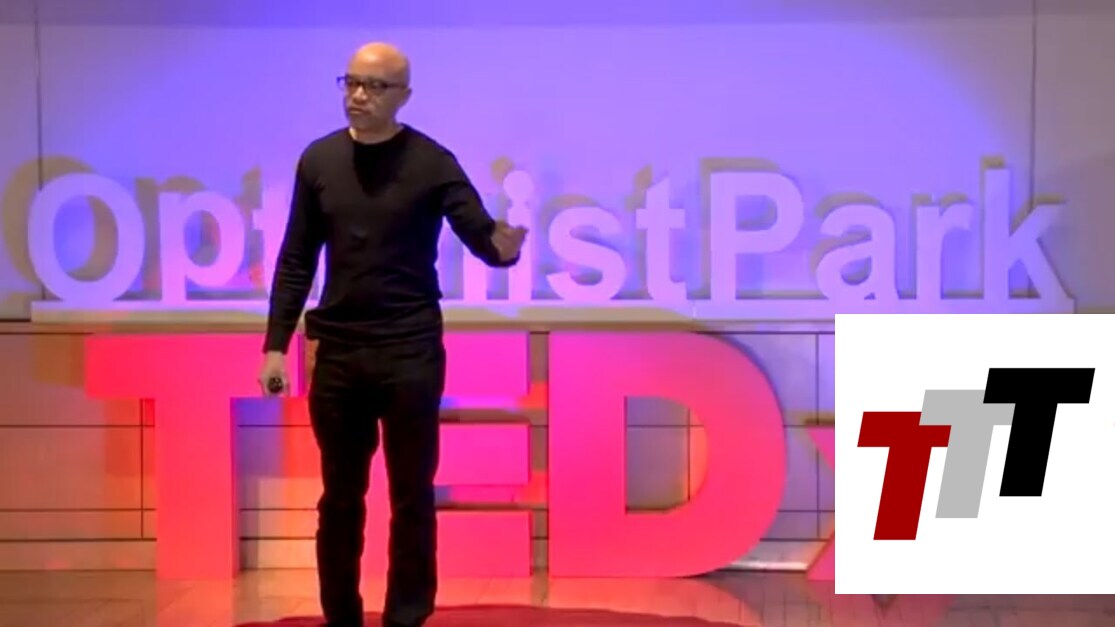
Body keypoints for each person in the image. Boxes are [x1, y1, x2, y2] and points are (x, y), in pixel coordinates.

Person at [258, 42, 527, 627]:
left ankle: (406, 616)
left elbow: (480, 235)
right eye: (351, 83)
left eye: (375, 86)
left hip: (410, 350)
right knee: (340, 496)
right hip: (339, 353)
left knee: (411, 495)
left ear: (404, 96)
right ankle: (341, 616)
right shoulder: (319, 160)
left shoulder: (431, 162)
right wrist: (276, 345)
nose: (359, 96)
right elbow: (296, 257)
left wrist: (504, 247)